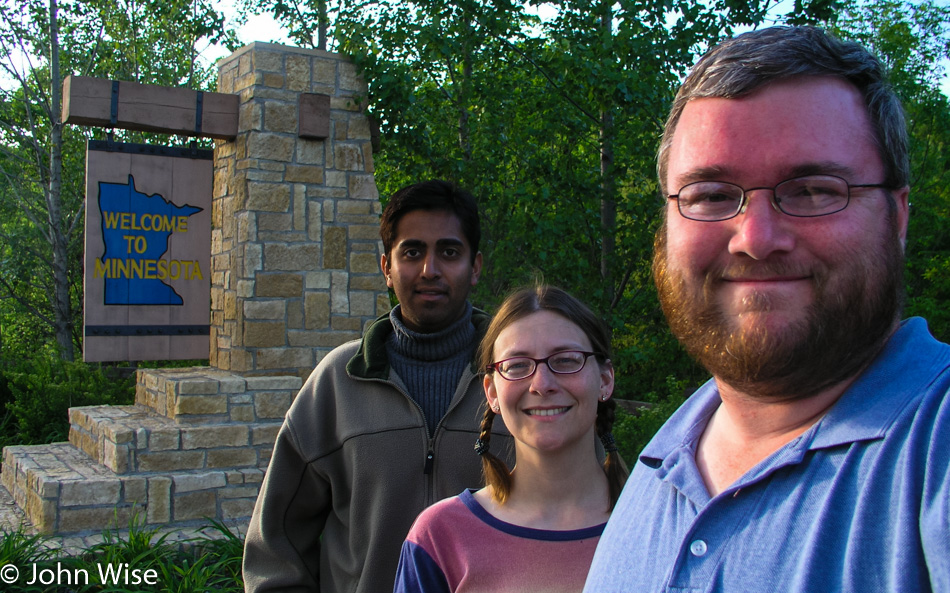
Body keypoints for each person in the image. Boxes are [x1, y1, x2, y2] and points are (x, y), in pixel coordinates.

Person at [584, 25, 950, 593]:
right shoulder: (659, 465)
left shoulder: (935, 446)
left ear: (897, 216)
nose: (755, 238)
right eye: (709, 194)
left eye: (812, 190)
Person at [243, 179, 513, 593]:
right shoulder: (337, 383)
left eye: (449, 251)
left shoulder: (523, 378)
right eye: (412, 251)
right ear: (386, 267)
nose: (430, 269)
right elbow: (276, 546)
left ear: (475, 266)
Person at [394, 285, 629, 593]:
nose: (542, 384)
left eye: (567, 360)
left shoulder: (659, 524)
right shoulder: (440, 538)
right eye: (517, 365)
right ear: (492, 392)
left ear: (605, 380)